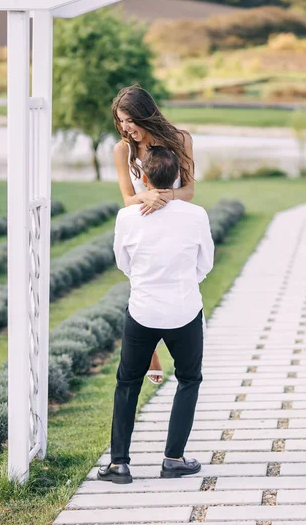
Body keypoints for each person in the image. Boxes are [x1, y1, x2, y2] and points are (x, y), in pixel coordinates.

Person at [98, 146, 214, 484]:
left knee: (127, 384)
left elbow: (123, 262)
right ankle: (173, 459)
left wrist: (147, 281)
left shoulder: (127, 217)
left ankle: (119, 465)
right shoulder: (196, 215)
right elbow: (205, 263)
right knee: (189, 379)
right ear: (176, 177)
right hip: (185, 309)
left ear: (144, 179)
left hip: (143, 311)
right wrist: (183, 282)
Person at [112, 84, 195, 385]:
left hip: (172, 221)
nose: (125, 127)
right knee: (141, 287)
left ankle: (175, 343)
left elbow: (189, 190)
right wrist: (145, 198)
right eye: (121, 121)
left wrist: (163, 196)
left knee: (172, 285)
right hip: (142, 222)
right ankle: (150, 352)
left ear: (144, 115)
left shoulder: (181, 140)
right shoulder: (122, 149)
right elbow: (126, 198)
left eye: (129, 120)